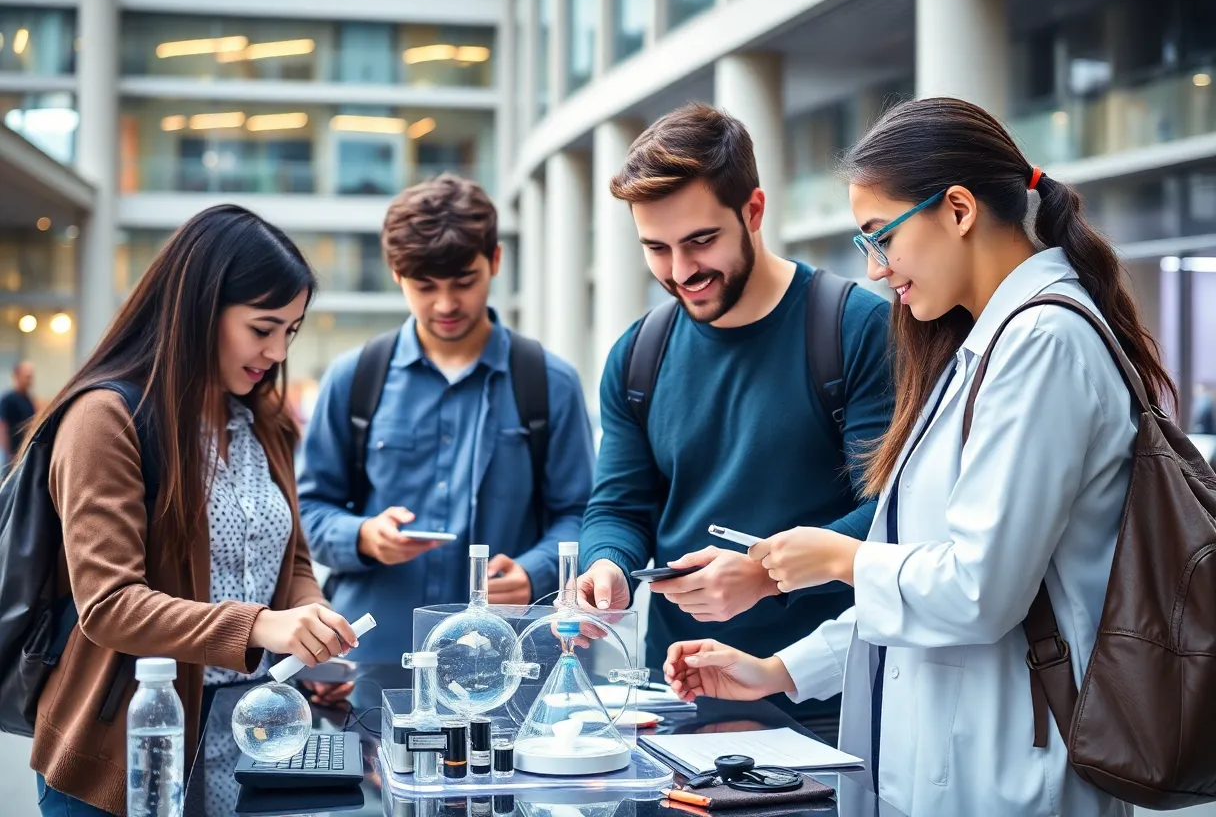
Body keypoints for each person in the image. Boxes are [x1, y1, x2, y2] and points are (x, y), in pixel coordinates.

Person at [662, 97, 1175, 816]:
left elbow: (976, 590)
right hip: (954, 762)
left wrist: (838, 560)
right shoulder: (981, 346)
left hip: (1007, 774)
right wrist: (776, 670)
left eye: (881, 236)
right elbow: (918, 575)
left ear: (958, 210)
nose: (875, 270)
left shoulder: (1044, 344)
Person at [25, 205, 359, 817]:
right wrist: (263, 627)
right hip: (126, 748)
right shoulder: (107, 419)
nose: (277, 351)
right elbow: (109, 604)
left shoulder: (264, 421)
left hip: (253, 742)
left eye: (292, 330)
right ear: (200, 309)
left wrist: (309, 619)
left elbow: (293, 560)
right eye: (263, 328)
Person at [576, 103, 894, 742]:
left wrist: (763, 575)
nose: (681, 272)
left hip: (830, 701)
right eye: (656, 249)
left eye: (700, 241)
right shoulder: (637, 354)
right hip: (676, 699)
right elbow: (619, 503)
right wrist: (605, 565)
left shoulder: (855, 328)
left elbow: (891, 510)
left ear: (753, 211)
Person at [298, 174, 595, 665]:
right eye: (424, 286)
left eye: (463, 282)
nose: (446, 304)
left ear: (495, 261)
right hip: (372, 659)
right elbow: (309, 512)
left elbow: (583, 514)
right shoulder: (353, 378)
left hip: (512, 664)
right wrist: (364, 536)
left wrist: (537, 572)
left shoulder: (548, 381)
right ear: (396, 274)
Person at [0, 360, 36, 469]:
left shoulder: (28, 400)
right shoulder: (8, 400)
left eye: (31, 376)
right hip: (11, 456)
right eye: (27, 376)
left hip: (24, 454)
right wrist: (9, 454)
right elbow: (2, 428)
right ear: (17, 375)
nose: (30, 380)